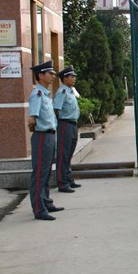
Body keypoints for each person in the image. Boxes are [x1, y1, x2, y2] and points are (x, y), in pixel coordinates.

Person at [27, 61, 64, 221]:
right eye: (50, 73)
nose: (53, 76)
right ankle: (38, 208)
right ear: (41, 76)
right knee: (40, 173)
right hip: (42, 136)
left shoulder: (46, 94)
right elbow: (31, 119)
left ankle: (46, 202)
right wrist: (35, 127)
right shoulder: (37, 94)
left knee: (47, 171)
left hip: (49, 135)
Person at [54, 65, 81, 193]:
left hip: (73, 124)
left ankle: (69, 179)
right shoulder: (62, 92)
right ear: (64, 78)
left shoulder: (70, 91)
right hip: (65, 124)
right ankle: (62, 183)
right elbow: (56, 110)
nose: (74, 79)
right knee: (63, 155)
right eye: (71, 76)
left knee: (69, 154)